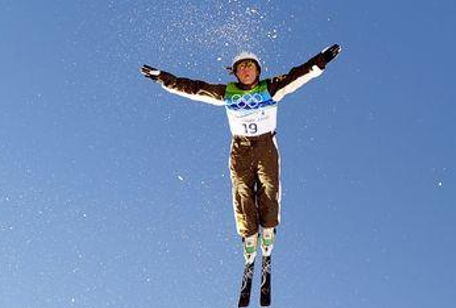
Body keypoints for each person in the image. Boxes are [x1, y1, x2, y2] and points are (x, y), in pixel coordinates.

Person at [140, 44, 341, 265]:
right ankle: (249, 233)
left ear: (257, 70)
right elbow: (194, 88)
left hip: (265, 144)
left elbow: (298, 75)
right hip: (241, 147)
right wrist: (163, 78)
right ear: (235, 73)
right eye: (241, 68)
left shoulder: (271, 87)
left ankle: (268, 229)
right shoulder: (228, 93)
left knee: (269, 186)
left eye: (249, 66)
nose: (245, 71)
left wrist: (321, 59)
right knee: (243, 189)